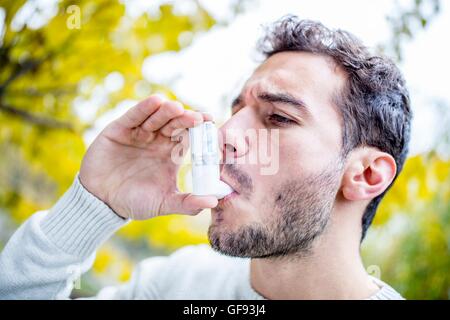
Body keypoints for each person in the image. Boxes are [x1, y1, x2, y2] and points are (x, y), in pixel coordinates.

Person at [0, 16, 411, 300]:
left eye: (279, 117)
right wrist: (93, 203)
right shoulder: (176, 282)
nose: (224, 135)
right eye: (235, 112)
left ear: (366, 174)